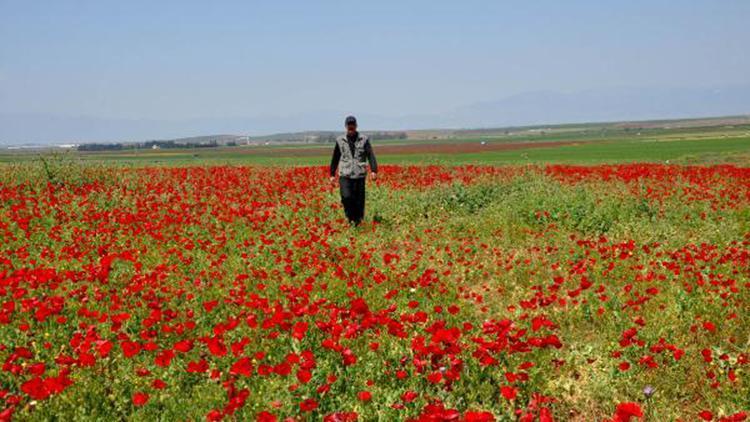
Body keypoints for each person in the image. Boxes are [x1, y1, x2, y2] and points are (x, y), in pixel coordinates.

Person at [329, 115, 378, 225]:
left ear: (356, 126)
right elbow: (335, 157)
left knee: (359, 201)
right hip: (345, 175)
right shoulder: (340, 140)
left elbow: (370, 155)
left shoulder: (364, 140)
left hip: (359, 175)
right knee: (346, 197)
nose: (351, 127)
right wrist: (332, 174)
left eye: (353, 125)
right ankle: (350, 218)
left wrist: (374, 170)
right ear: (346, 126)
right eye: (349, 125)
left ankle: (358, 221)